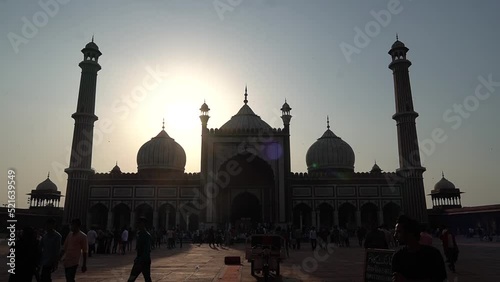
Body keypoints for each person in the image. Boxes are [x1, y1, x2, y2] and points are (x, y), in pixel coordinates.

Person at [392, 215, 447, 282]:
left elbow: (439, 278)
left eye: (399, 232)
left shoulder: (432, 255)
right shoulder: (398, 257)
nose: (395, 235)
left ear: (410, 233)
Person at [127, 217, 152, 282]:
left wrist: (140, 260)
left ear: (143, 224)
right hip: (143, 260)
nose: (137, 225)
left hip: (142, 261)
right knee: (147, 279)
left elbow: (146, 250)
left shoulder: (146, 235)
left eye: (139, 223)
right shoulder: (140, 234)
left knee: (132, 279)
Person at [40, 218, 62, 282]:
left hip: (51, 260)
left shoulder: (57, 236)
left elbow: (57, 250)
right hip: (44, 259)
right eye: (47, 225)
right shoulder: (45, 236)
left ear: (53, 225)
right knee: (44, 277)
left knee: (45, 276)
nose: (47, 227)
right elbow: (40, 247)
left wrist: (55, 262)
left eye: (49, 225)